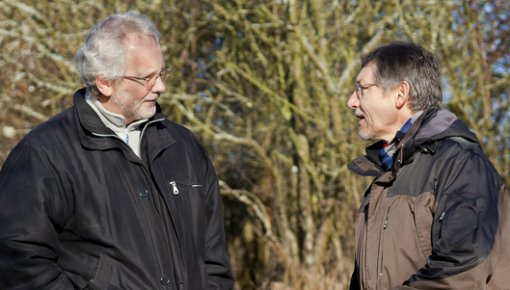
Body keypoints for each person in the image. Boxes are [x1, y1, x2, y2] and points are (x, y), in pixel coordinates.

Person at [0, 12, 234, 289]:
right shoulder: (43, 154)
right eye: (146, 78)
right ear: (104, 82)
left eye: (161, 73)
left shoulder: (185, 148)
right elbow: (20, 262)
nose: (161, 87)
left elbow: (214, 260)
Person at [347, 42, 510, 289]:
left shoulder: (461, 165)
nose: (352, 102)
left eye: (362, 89)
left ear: (400, 94)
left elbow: (462, 269)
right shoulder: (385, 178)